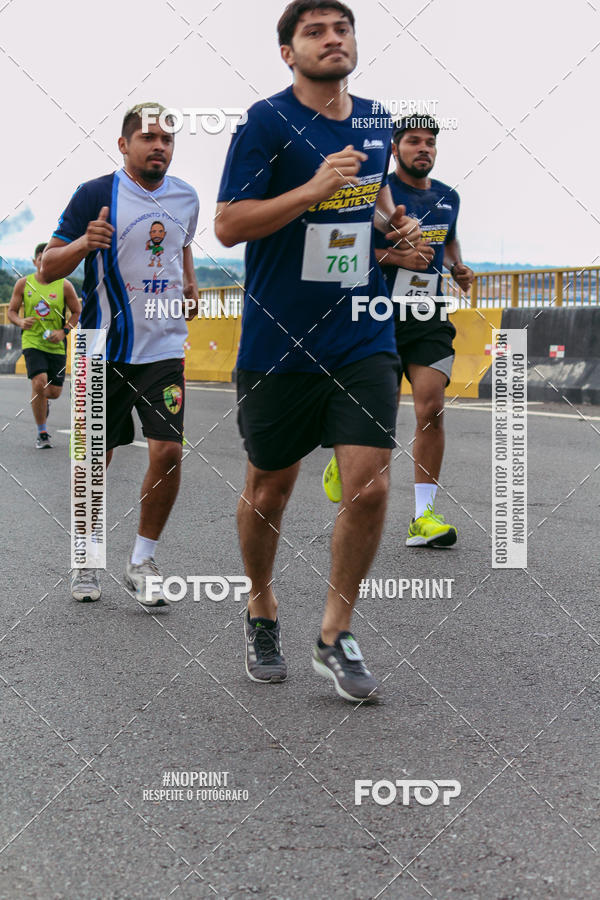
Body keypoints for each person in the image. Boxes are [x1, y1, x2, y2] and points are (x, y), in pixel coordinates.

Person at [215, 0, 421, 702]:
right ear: (288, 53)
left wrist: (399, 226)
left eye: (343, 28)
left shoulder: (374, 119)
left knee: (370, 483)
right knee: (270, 486)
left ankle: (335, 634)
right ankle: (262, 605)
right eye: (315, 31)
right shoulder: (264, 122)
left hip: (362, 330)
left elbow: (374, 192)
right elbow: (228, 225)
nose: (334, 39)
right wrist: (312, 188)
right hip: (278, 340)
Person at [41, 102, 199, 605]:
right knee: (94, 459)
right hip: (98, 347)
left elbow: (183, 244)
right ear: (123, 145)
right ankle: (86, 559)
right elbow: (47, 267)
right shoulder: (95, 193)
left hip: (164, 346)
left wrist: (191, 282)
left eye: (168, 139)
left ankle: (142, 560)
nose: (160, 146)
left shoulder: (186, 197)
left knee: (169, 452)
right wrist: (85, 244)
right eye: (149, 137)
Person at [324, 114, 474, 548]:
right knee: (380, 418)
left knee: (430, 407)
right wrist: (394, 258)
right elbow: (342, 247)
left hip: (428, 315)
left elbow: (447, 242)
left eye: (429, 142)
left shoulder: (449, 197)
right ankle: (346, 451)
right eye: (413, 141)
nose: (423, 148)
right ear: (395, 148)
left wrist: (457, 268)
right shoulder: (375, 195)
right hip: (378, 315)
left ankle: (423, 517)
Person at [7, 243, 80, 448]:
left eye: (48, 260)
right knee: (39, 382)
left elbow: (77, 311)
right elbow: (12, 310)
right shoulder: (23, 284)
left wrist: (63, 331)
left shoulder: (64, 285)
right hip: (32, 341)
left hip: (56, 344)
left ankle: (43, 400)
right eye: (40, 259)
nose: (43, 264)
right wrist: (20, 322)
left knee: (54, 392)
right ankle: (43, 433)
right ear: (35, 261)